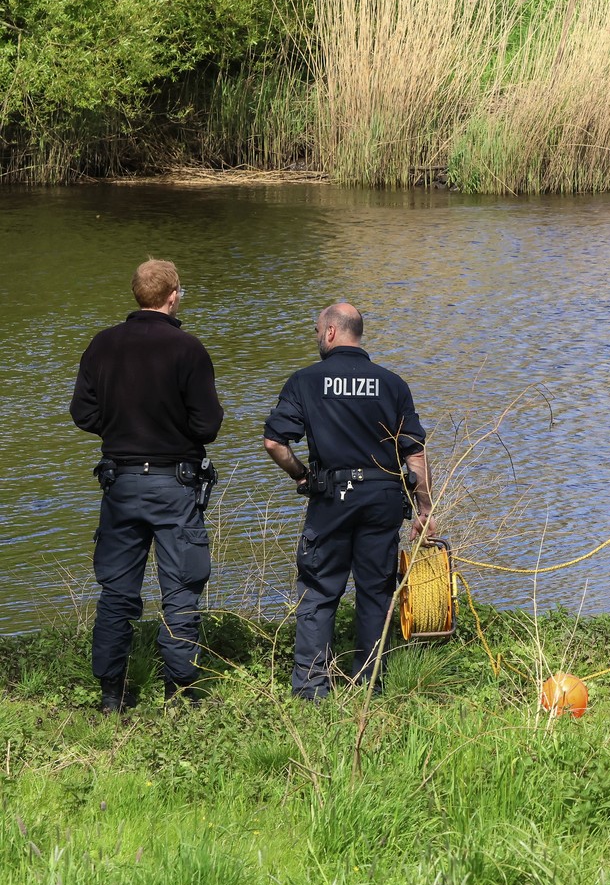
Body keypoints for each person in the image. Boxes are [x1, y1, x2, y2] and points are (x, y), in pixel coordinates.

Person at [70, 258, 224, 713]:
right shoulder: (188, 349)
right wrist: (175, 432)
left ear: (138, 295)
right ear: (172, 295)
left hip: (120, 486)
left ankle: (111, 697)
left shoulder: (103, 345)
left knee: (117, 592)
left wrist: (118, 429)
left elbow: (83, 413)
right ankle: (178, 694)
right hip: (174, 485)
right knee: (180, 590)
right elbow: (208, 424)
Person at [262, 303, 433, 700]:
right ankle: (370, 686)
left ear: (332, 333)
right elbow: (415, 454)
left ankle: (311, 689)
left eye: (317, 331)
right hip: (384, 499)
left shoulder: (305, 381)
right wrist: (425, 510)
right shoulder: (392, 384)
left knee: (320, 590)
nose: (317, 338)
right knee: (375, 592)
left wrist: (300, 474)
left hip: (332, 498)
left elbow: (274, 442)